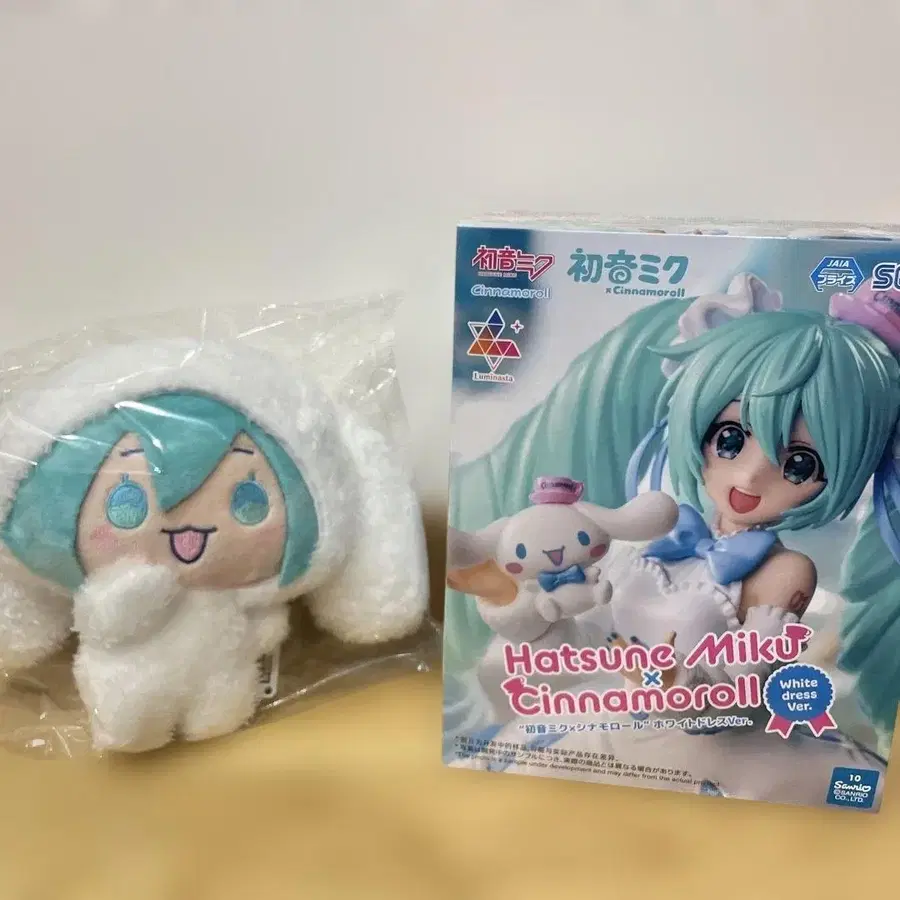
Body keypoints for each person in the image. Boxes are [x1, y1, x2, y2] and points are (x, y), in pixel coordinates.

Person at [446, 274, 900, 804]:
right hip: (615, 724)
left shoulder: (785, 572)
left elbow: (744, 688)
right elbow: (583, 644)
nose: (751, 476)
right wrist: (522, 607)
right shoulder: (654, 535)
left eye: (799, 464)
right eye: (730, 439)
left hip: (716, 750)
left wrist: (674, 683)